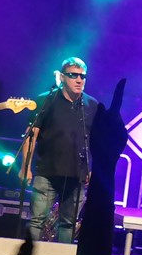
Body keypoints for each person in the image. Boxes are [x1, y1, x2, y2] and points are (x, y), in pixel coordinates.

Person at [21, 57, 99, 243]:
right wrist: (25, 167)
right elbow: (31, 136)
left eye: (82, 76)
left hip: (77, 175)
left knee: (68, 224)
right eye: (73, 75)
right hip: (46, 172)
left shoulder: (91, 105)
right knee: (36, 221)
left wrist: (92, 169)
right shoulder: (46, 100)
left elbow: (96, 141)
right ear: (62, 77)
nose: (79, 80)